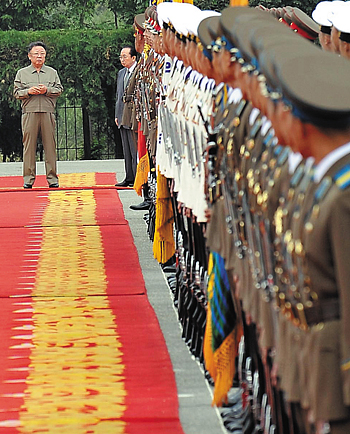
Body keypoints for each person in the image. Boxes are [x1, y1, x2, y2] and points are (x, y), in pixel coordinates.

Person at [13, 41, 63, 189]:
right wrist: (29, 91)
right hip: (30, 112)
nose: (39, 56)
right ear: (29, 56)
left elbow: (59, 89)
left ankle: (52, 179)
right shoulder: (22, 73)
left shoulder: (52, 72)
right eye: (36, 54)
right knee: (29, 146)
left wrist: (47, 90)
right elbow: (16, 93)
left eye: (42, 53)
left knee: (50, 146)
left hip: (47, 112)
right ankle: (28, 179)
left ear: (45, 56)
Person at [114, 45, 138, 187]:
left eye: (125, 56)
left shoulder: (139, 71)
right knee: (126, 147)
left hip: (133, 113)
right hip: (122, 113)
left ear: (133, 57)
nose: (122, 59)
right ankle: (128, 176)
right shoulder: (122, 73)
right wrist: (117, 114)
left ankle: (136, 176)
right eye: (121, 57)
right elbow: (118, 96)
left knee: (134, 146)